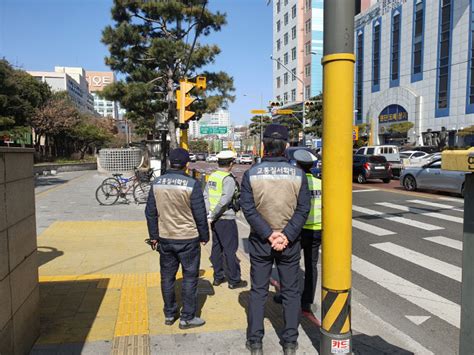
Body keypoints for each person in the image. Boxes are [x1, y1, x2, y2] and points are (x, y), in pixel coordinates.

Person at [240, 124, 311, 355]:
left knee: (258, 292)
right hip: (289, 243)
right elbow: (303, 210)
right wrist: (285, 236)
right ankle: (290, 342)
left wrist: (269, 235)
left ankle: (256, 342)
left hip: (261, 242)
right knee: (291, 293)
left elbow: (248, 210)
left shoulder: (252, 174)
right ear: (287, 147)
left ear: (264, 145)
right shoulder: (298, 174)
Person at [145, 148, 209, 329]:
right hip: (188, 239)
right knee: (189, 278)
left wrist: (154, 237)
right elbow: (200, 214)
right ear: (186, 164)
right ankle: (187, 317)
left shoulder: (157, 183)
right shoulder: (192, 184)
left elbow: (150, 212)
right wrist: (204, 236)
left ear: (169, 162)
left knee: (167, 278)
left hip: (165, 238)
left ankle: (169, 314)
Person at [273, 150, 322, 323]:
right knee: (311, 266)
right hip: (317, 229)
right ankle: (306, 302)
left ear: (297, 164)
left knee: (289, 263)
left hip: (296, 230)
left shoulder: (294, 183)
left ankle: (286, 295)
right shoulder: (320, 183)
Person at [204, 150, 247, 289]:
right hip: (226, 218)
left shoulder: (212, 176)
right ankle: (234, 280)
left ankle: (218, 277)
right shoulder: (227, 178)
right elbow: (225, 200)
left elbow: (205, 195)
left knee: (217, 248)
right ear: (231, 163)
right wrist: (215, 213)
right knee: (230, 250)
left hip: (215, 219)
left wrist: (209, 213)